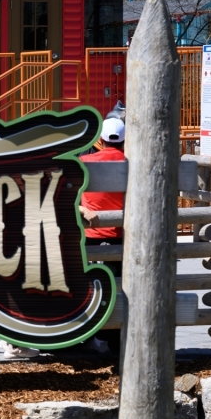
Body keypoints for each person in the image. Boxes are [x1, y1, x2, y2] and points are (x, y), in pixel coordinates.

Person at [80, 117, 127, 355]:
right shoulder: (132, 164)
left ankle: (92, 335)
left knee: (93, 289)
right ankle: (112, 336)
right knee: (119, 288)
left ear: (100, 140)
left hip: (91, 239)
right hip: (122, 239)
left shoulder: (85, 162)